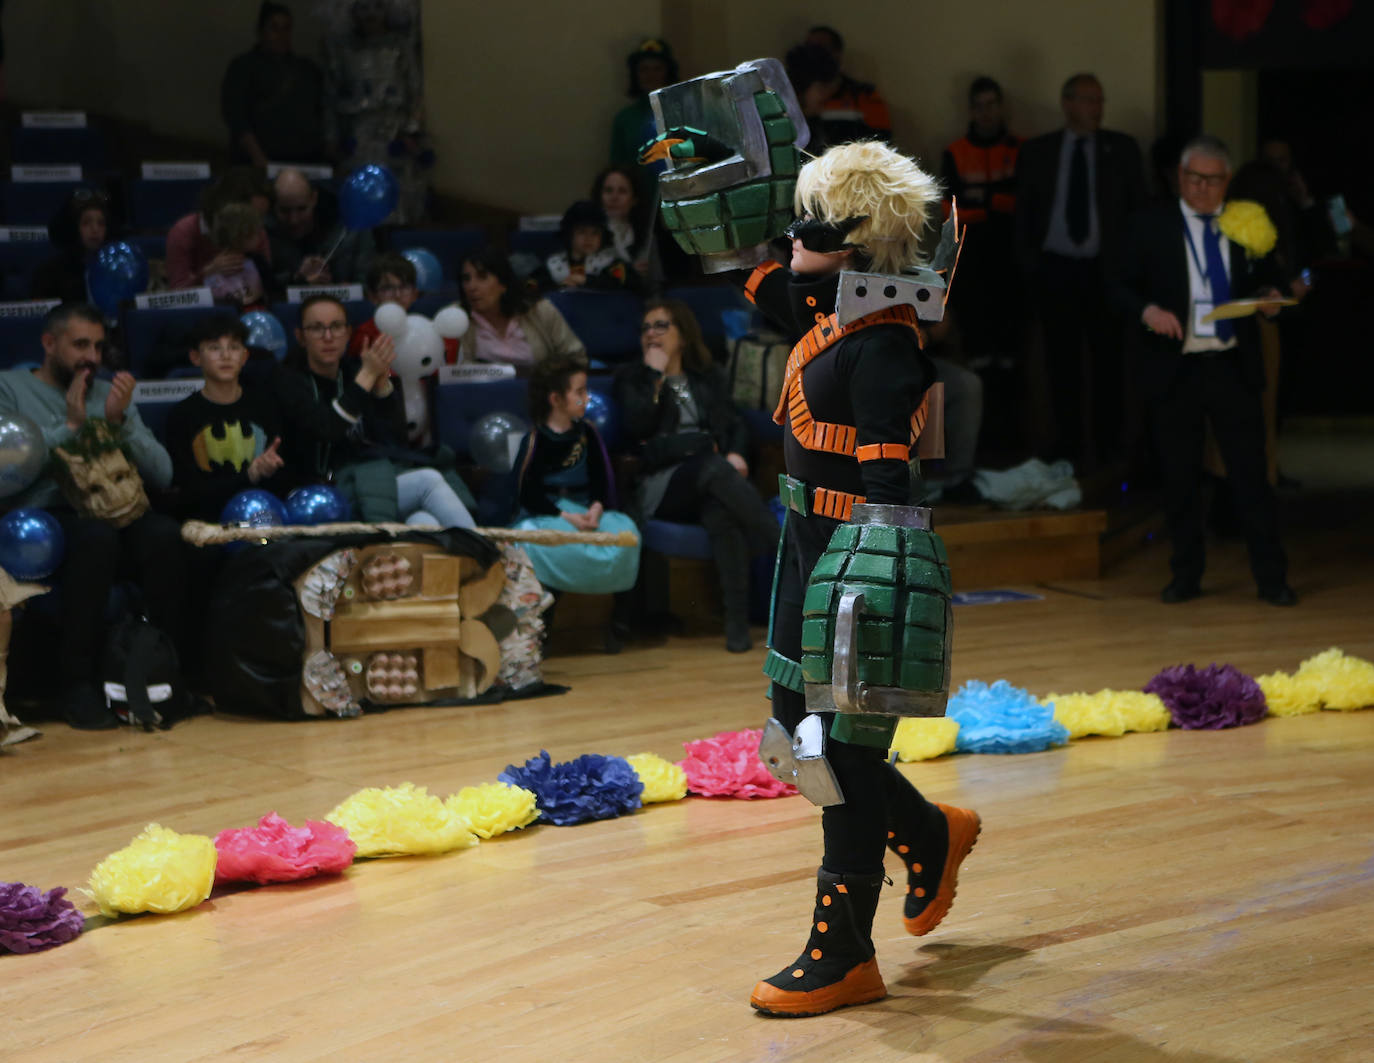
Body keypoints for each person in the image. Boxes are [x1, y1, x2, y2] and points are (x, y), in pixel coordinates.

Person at [696, 140, 981, 1015]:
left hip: (854, 569)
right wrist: (720, 185)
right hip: (800, 550)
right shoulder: (824, 307)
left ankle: (845, 951)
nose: (790, 237)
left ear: (856, 248)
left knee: (840, 750)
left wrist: (881, 597)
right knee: (794, 740)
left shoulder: (886, 345)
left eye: (808, 226)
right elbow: (742, 268)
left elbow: (893, 488)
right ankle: (930, 830)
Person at [1108, 135, 1295, 607]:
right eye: (1195, 178)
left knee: (1252, 477)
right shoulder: (1149, 225)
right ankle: (1185, 575)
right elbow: (1115, 284)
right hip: (1177, 367)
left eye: (1213, 180)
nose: (1203, 188)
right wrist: (1147, 310)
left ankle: (1272, 579)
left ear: (1226, 181)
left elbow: (1267, 277)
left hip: (1232, 364)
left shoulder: (1244, 224)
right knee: (1179, 478)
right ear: (1180, 178)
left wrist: (1270, 300)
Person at [0, 303, 182, 729]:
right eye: (80, 344)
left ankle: (168, 677)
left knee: (165, 537)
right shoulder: (10, 388)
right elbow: (6, 471)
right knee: (95, 538)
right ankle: (75, 687)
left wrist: (122, 422)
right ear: (49, 344)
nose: (93, 357)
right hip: (42, 518)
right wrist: (70, 425)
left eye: (99, 346)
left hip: (114, 510)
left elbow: (164, 472)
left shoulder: (108, 395)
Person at [614, 299, 777, 653]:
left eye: (661, 326)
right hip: (661, 485)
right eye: (645, 328)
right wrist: (654, 376)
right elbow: (637, 426)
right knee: (714, 470)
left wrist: (735, 451)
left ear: (683, 336)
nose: (651, 334)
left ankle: (736, 623)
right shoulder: (632, 378)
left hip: (708, 479)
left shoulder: (707, 377)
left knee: (722, 513)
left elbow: (735, 424)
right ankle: (782, 545)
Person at [1015, 73, 1145, 467]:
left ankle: (1109, 449)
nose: (1097, 109)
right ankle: (1067, 447)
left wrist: (1131, 271)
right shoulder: (1039, 152)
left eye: (1100, 101)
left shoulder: (1121, 150)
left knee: (1109, 363)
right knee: (1061, 364)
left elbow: (1136, 212)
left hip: (1104, 272)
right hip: (1055, 270)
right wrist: (1029, 268)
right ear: (1067, 103)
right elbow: (1023, 216)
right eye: (1089, 100)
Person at [273, 294, 475, 527]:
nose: (328, 337)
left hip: (367, 483)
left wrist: (381, 386)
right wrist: (368, 377)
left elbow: (395, 441)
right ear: (300, 336)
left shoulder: (353, 372)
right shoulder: (287, 380)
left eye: (336, 327)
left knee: (423, 520)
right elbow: (326, 428)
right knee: (427, 482)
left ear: (348, 333)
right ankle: (491, 554)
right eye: (317, 328)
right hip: (316, 496)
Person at [502, 354, 639, 649]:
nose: (586, 397)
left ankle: (620, 624)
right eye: (579, 392)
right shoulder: (536, 440)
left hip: (586, 512)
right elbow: (528, 494)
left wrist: (595, 509)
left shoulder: (588, 433)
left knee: (627, 535)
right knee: (540, 543)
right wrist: (568, 517)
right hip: (551, 514)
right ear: (556, 398)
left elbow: (603, 481)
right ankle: (542, 628)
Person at [165, 314, 290, 521]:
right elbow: (189, 493)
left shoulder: (266, 406)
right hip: (207, 521)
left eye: (233, 347)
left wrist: (269, 470)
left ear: (244, 356)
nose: (226, 355)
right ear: (196, 357)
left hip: (263, 516)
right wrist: (248, 476)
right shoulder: (182, 415)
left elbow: (281, 479)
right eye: (214, 348)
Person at [941, 76, 1023, 371]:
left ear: (1001, 107)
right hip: (972, 264)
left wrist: (984, 203)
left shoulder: (1020, 149)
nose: (986, 113)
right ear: (971, 111)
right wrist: (994, 205)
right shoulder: (956, 152)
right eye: (980, 107)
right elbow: (948, 212)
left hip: (1013, 263)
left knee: (1012, 360)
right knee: (978, 357)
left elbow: (1025, 204)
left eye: (992, 105)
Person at [322, 0, 430, 223]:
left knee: (398, 202)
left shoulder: (400, 47)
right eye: (363, 7)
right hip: (356, 138)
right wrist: (332, 138)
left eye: (377, 6)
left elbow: (415, 93)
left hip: (395, 136)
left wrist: (411, 132)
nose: (371, 14)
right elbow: (330, 97)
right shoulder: (343, 51)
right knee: (360, 200)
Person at [221, 1, 327, 168]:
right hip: (261, 162)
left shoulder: (307, 69)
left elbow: (322, 111)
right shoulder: (243, 67)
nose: (281, 35)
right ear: (261, 31)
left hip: (305, 161)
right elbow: (236, 117)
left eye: (286, 28)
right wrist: (258, 157)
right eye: (274, 28)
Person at [456, 249, 585, 371]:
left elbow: (576, 358)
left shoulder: (539, 310)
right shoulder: (455, 318)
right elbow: (451, 372)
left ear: (503, 284)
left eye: (482, 277)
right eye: (466, 279)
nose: (471, 287)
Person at [165, 168, 274, 292]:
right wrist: (207, 273)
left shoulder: (257, 233)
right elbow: (177, 292)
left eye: (260, 218)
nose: (259, 228)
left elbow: (269, 288)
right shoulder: (184, 231)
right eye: (253, 217)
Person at [268, 167, 376, 288]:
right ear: (274, 205)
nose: (294, 220)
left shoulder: (350, 227)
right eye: (285, 211)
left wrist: (345, 289)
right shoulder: (264, 232)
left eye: (302, 209)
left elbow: (368, 282)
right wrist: (296, 278)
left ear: (314, 198)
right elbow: (264, 286)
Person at [802, 25, 892, 144]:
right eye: (809, 48)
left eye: (821, 48)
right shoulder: (793, 94)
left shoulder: (864, 95)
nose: (814, 55)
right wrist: (809, 111)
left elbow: (882, 143)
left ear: (837, 54)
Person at [538, 200, 639, 293]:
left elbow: (631, 282)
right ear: (569, 234)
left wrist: (587, 280)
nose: (588, 238)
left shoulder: (609, 264)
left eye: (595, 233)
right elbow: (533, 285)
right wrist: (558, 287)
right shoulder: (553, 264)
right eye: (582, 231)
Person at [30, 189, 111, 303]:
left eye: (101, 223)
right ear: (74, 228)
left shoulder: (113, 268)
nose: (95, 229)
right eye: (86, 223)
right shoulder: (49, 273)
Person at [610, 38, 677, 170]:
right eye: (644, 69)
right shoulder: (625, 119)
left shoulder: (682, 113)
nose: (650, 75)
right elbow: (618, 169)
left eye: (657, 69)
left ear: (668, 73)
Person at [591, 165, 653, 274]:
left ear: (634, 199)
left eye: (622, 191)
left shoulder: (647, 234)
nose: (614, 197)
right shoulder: (586, 232)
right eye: (608, 191)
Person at [204, 203, 269, 307]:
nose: (260, 236)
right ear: (242, 234)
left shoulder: (258, 261)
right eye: (256, 232)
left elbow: (272, 291)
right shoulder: (213, 267)